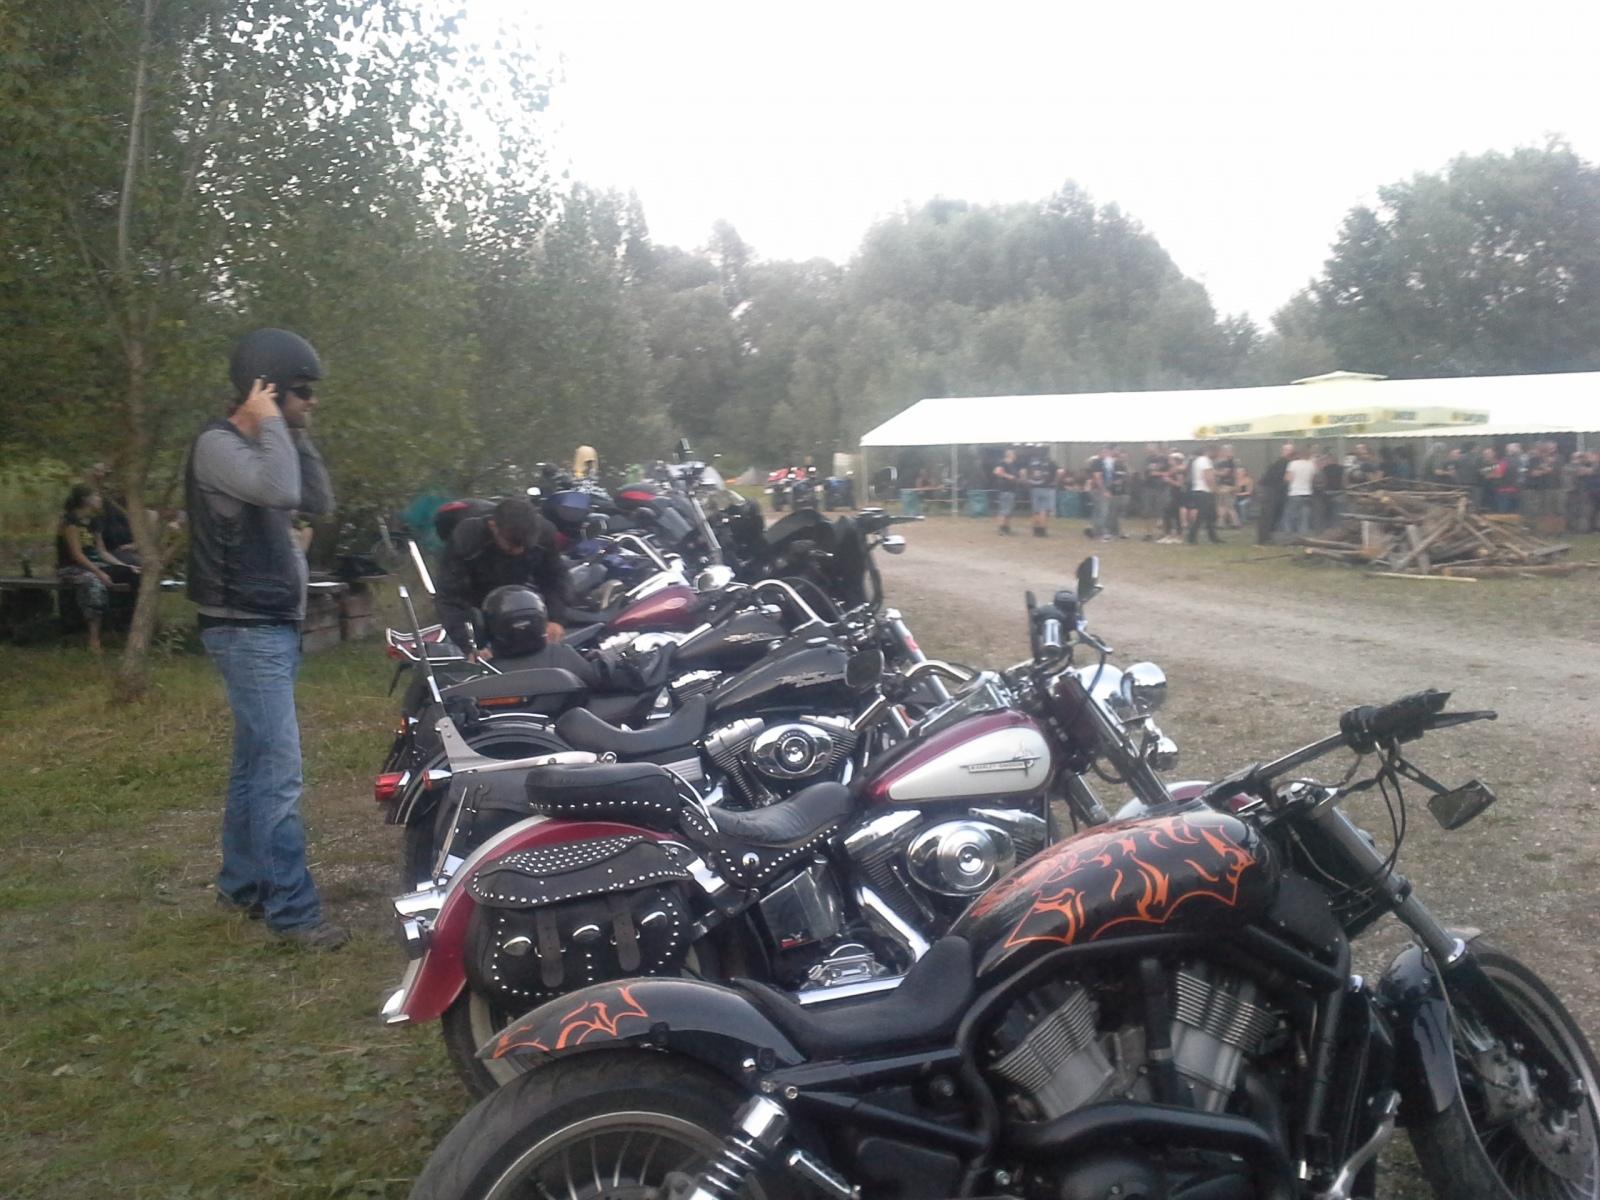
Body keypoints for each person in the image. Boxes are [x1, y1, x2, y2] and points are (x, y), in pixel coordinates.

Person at [186, 327, 344, 949]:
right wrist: (275, 422)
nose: (313, 401)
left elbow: (318, 499)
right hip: (244, 627)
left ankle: (241, 885)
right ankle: (293, 912)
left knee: (255, 764)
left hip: (268, 624)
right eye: (302, 392)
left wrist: (293, 430)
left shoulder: (268, 445)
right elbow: (280, 491)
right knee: (279, 771)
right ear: (269, 390)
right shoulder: (217, 446)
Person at [435, 496, 572, 657]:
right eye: (512, 545)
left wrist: (556, 618)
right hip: (475, 588)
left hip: (517, 587)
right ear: (493, 527)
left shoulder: (544, 534)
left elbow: (555, 578)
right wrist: (468, 645)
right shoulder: (467, 540)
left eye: (525, 546)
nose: (519, 551)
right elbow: (450, 597)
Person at [56, 485, 135, 652]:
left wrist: (125, 566)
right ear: (85, 499)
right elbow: (77, 555)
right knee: (95, 584)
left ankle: (128, 626)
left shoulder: (95, 522)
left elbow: (101, 551)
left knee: (132, 574)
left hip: (96, 565)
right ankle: (94, 639)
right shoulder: (70, 522)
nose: (100, 500)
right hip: (72, 568)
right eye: (96, 496)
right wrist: (99, 573)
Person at [1257, 442, 1294, 544]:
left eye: (1290, 451)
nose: (1289, 453)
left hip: (1273, 491)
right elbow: (1283, 479)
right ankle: (1263, 538)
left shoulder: (1282, 462)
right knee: (1268, 515)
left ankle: (1267, 537)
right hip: (1270, 491)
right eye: (1287, 450)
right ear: (1283, 451)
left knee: (1272, 515)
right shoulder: (1282, 463)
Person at [1185, 443, 1222, 544]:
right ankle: (1192, 537)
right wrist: (1214, 489)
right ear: (1211, 451)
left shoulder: (1198, 461)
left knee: (1210, 516)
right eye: (1216, 452)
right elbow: (1208, 477)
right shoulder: (1205, 461)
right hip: (1204, 491)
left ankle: (1213, 537)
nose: (1217, 454)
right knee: (1201, 515)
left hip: (1198, 490)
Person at [1284, 447, 1317, 536]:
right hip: (1307, 493)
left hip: (1295, 493)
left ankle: (1289, 534)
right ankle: (1303, 535)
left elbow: (1288, 478)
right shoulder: (1311, 464)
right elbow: (1312, 479)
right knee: (1304, 516)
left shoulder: (1293, 464)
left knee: (1290, 515)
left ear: (1299, 455)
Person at [993, 448, 1024, 535]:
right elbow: (997, 472)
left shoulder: (1014, 465)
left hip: (1012, 490)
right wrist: (1009, 476)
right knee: (1004, 510)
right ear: (1009, 455)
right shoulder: (1002, 463)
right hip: (1005, 490)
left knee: (1009, 510)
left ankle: (1006, 527)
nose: (1015, 456)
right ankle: (1001, 528)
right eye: (1014, 454)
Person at [1026, 451, 1058, 538]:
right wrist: (1053, 482)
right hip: (1045, 487)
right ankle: (1042, 530)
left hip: (1034, 488)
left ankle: (1035, 530)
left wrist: (1028, 483)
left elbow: (1026, 473)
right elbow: (1059, 472)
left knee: (1035, 510)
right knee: (1043, 510)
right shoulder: (1049, 463)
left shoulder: (1032, 462)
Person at [1157, 452, 1187, 543]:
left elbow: (1180, 484)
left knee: (1171, 515)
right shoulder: (1174, 469)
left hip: (1176, 495)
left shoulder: (1179, 470)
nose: (1169, 461)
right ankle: (1171, 535)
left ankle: (1173, 535)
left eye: (1171, 459)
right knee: (1171, 515)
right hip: (1172, 494)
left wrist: (1169, 480)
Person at [1213, 444, 1240, 529]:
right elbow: (1235, 475)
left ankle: (1231, 522)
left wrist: (1212, 472)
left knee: (1224, 505)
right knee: (1226, 505)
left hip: (1225, 486)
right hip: (1230, 485)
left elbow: (1225, 473)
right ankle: (1225, 522)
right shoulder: (1233, 462)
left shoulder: (1227, 462)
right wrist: (1236, 486)